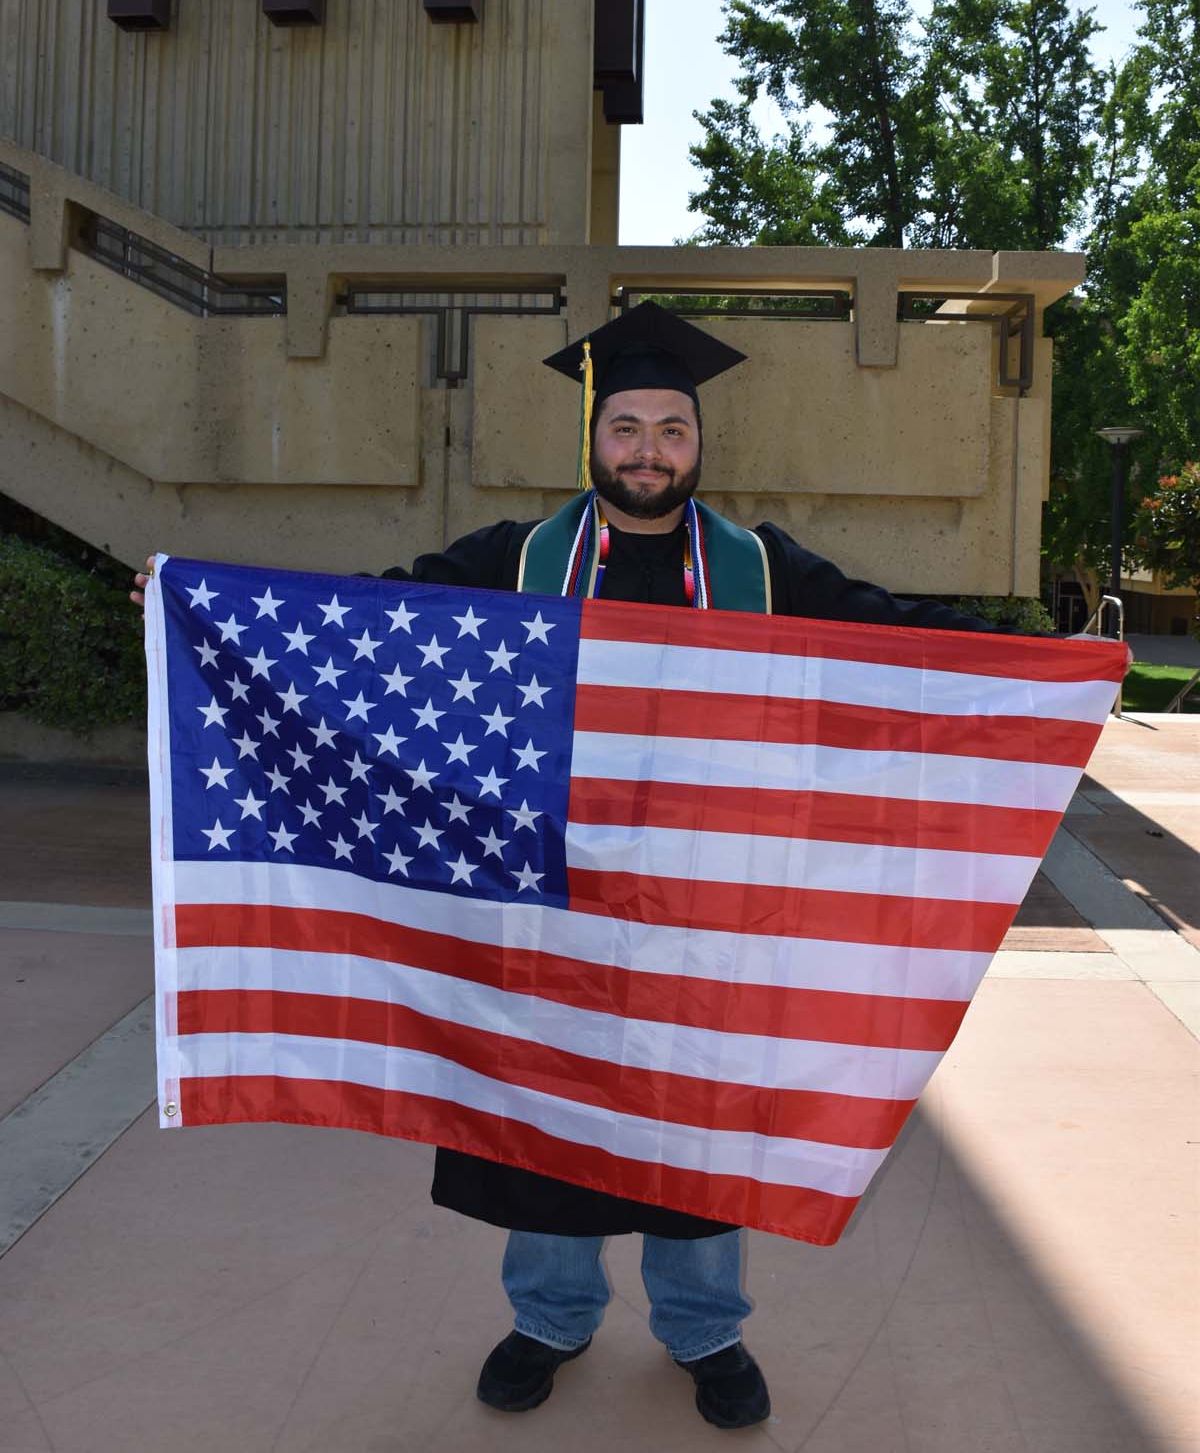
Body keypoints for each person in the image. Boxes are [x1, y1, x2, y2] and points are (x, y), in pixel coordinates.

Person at [132, 300, 1028, 1431]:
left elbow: (885, 633)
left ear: (698, 443)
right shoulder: (521, 560)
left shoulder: (756, 567)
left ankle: (706, 1330)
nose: (648, 449)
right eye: (626, 428)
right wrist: (194, 608)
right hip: (548, 908)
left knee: (696, 1118)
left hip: (705, 913)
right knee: (548, 1115)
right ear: (592, 440)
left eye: (670, 428)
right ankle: (551, 1316)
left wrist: (1036, 663)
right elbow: (375, 616)